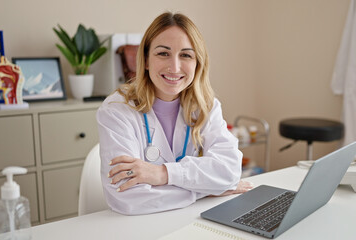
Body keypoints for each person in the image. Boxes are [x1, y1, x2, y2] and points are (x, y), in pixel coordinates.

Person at [96, 12, 252, 215]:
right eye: (163, 53)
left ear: (197, 64)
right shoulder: (116, 110)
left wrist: (163, 174)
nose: (175, 67)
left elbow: (230, 171)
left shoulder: (205, 106)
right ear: (145, 60)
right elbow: (128, 199)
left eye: (186, 55)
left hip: (190, 220)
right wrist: (207, 191)